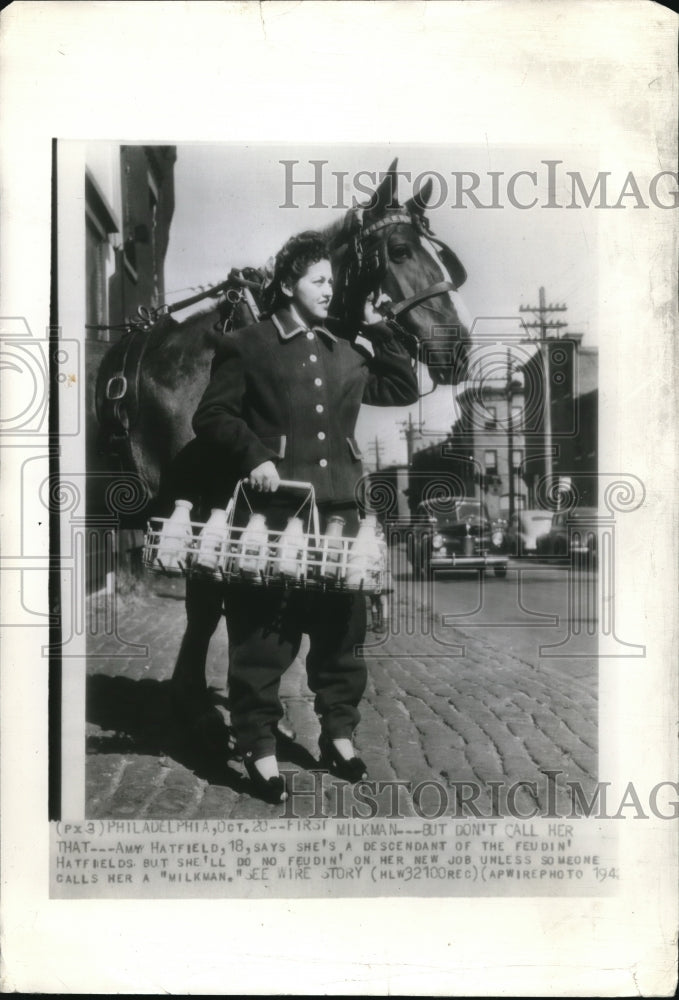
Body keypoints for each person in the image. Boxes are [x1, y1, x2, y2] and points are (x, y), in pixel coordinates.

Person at [183, 231, 419, 802]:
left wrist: (376, 325)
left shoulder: (343, 347)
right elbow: (211, 417)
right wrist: (254, 455)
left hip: (338, 514)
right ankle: (259, 746)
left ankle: (339, 735)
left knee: (342, 633)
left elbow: (403, 384)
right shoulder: (248, 345)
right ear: (288, 283)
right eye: (319, 280)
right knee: (264, 634)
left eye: (331, 282)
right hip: (275, 516)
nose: (328, 289)